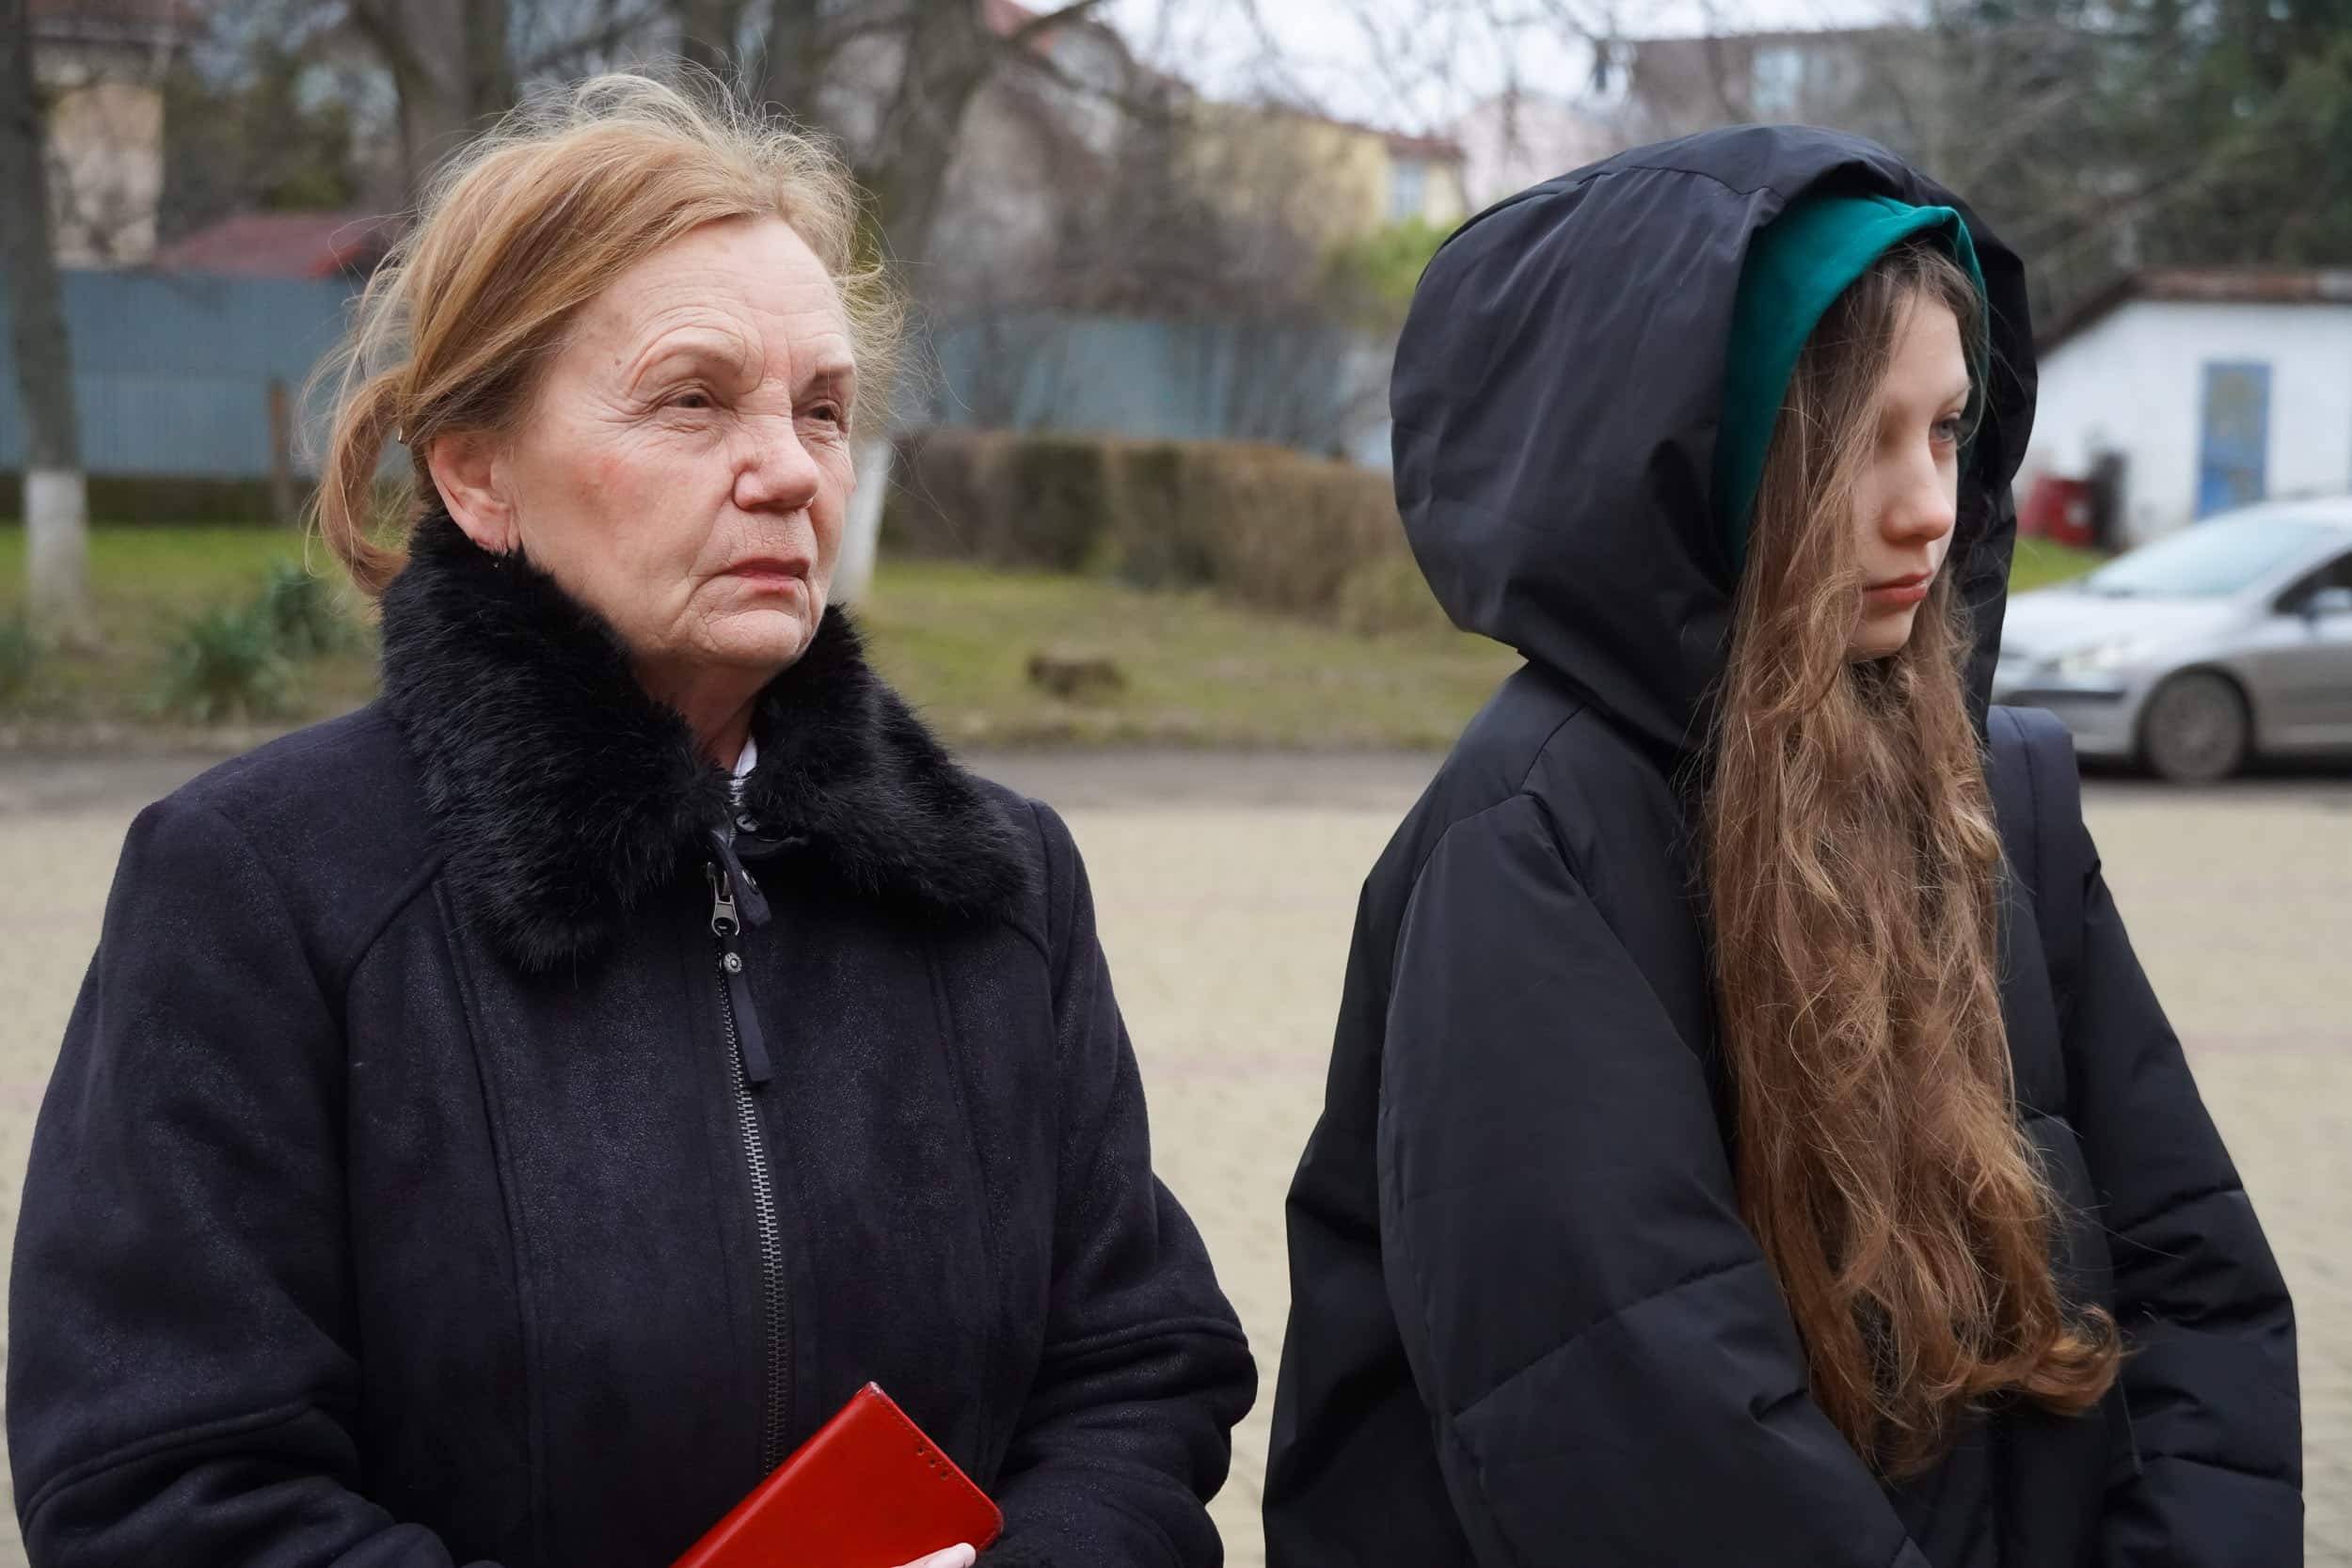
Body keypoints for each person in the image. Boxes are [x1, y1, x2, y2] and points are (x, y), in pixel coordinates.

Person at [8, 74, 1252, 1568]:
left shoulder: (999, 883)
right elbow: (166, 1485)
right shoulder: (261, 890)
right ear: (478, 472)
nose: (789, 470)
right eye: (693, 399)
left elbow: (1139, 1371)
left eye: (823, 408)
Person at [1264, 126, 2298, 1564]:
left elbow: (2198, 1280)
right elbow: (1638, 1420)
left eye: (1947, 431)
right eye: (1859, 440)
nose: (1930, 506)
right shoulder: (1535, 838)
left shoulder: (2002, 793)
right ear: (1708, 462)